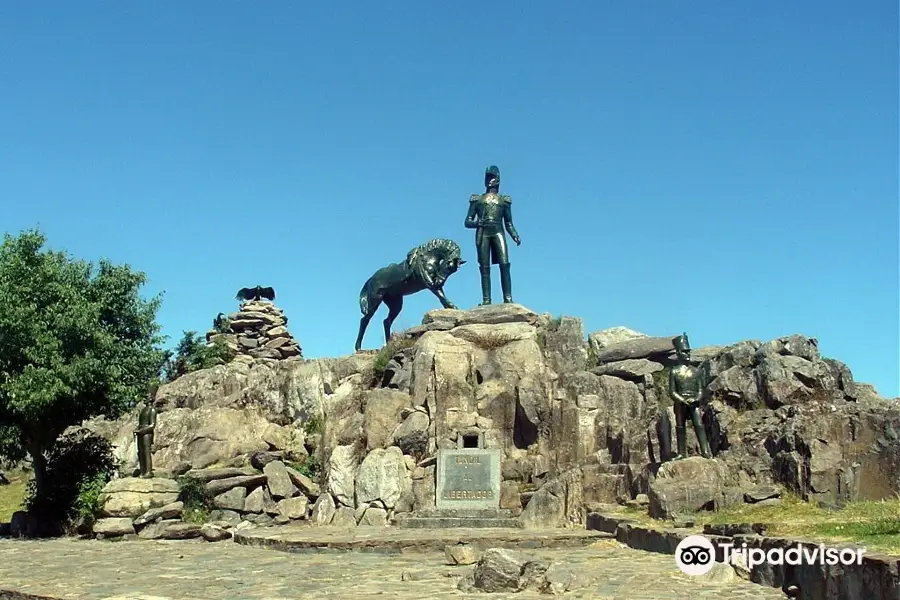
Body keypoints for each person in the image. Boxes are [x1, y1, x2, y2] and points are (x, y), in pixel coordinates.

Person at [464, 165, 521, 304]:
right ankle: (486, 300)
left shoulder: (504, 201)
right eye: (487, 177)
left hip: (498, 231)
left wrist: (514, 235)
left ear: (498, 179)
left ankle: (508, 298)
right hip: (483, 233)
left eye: (492, 177)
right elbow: (467, 221)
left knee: (505, 264)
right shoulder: (477, 200)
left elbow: (508, 223)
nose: (489, 180)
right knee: (484, 266)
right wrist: (477, 223)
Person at [668, 333, 712, 459]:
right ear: (678, 353)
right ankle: (682, 453)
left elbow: (700, 390)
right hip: (680, 403)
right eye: (684, 352)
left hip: (694, 403)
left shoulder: (696, 371)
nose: (688, 354)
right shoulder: (674, 371)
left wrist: (696, 398)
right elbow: (672, 391)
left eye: (688, 351)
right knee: (680, 426)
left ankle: (705, 451)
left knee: (698, 424)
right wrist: (682, 400)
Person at [134, 391, 158, 478]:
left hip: (147, 434)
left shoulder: (152, 410)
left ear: (150, 399)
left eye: (146, 397)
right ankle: (143, 471)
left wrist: (142, 431)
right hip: (141, 432)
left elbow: (152, 425)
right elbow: (141, 422)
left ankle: (148, 472)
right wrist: (137, 429)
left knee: (146, 452)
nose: (145, 399)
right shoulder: (143, 410)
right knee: (140, 452)